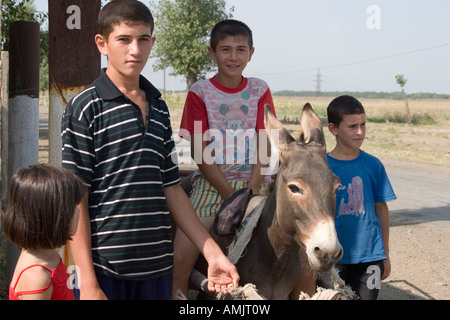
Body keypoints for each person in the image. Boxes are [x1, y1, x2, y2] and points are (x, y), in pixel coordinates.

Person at [61, 0, 238, 300]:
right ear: (102, 44)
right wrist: (87, 281)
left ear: (153, 42)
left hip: (157, 266)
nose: (135, 49)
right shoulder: (84, 108)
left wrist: (212, 253)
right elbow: (76, 197)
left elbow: (170, 186)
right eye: (124, 39)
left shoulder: (158, 107)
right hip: (106, 270)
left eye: (143, 39)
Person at [173, 19, 276, 298]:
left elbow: (265, 141)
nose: (233, 57)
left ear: (251, 53)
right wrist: (231, 195)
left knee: (296, 254)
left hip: (255, 181)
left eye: (241, 50)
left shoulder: (259, 89)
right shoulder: (200, 92)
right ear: (212, 52)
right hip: (212, 183)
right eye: (225, 49)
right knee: (180, 258)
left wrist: (251, 191)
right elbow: (200, 150)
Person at [326, 95, 397, 300]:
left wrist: (385, 255)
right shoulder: (322, 167)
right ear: (334, 129)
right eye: (352, 126)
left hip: (370, 256)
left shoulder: (374, 165)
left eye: (363, 125)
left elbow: (381, 209)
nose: (360, 132)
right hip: (332, 257)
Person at [2, 164, 85, 300]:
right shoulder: (37, 277)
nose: (78, 210)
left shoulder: (46, 255)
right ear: (51, 215)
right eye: (73, 205)